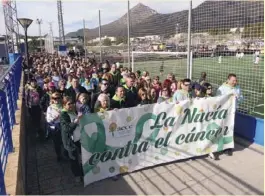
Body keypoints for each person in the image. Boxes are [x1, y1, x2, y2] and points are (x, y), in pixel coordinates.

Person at [216, 73, 243, 156]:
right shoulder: (222, 88)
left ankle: (229, 147)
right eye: (233, 80)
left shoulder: (237, 88)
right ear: (228, 80)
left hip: (233, 112)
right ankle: (220, 147)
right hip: (224, 113)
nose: (235, 82)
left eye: (236, 80)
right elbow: (217, 99)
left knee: (230, 129)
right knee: (222, 129)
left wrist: (238, 96)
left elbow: (242, 99)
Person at [60, 96, 83, 182]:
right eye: (69, 104)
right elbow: (67, 129)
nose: (71, 105)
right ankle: (77, 175)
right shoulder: (63, 115)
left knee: (79, 157)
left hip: (78, 139)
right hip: (70, 141)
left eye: (72, 103)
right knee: (73, 158)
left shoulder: (73, 111)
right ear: (64, 105)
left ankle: (81, 172)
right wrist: (76, 122)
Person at [46, 92, 63, 161]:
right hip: (55, 126)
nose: (56, 100)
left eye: (58, 98)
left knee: (64, 141)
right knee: (56, 142)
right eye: (54, 98)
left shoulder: (63, 106)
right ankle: (58, 155)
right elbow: (48, 119)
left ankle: (65, 153)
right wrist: (55, 118)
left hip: (63, 125)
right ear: (52, 99)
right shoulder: (50, 108)